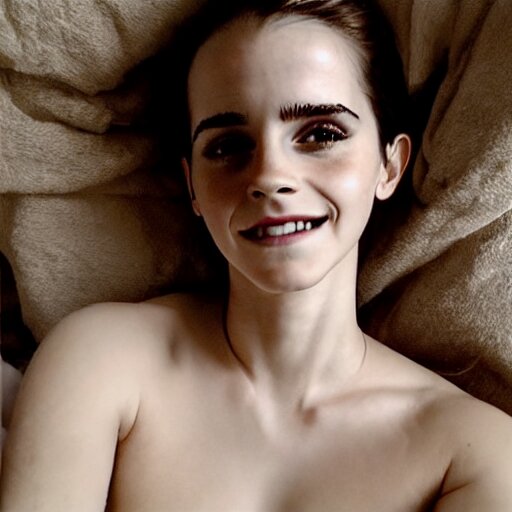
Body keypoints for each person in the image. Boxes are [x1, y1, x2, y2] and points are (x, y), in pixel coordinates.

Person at [2, 0, 512, 510]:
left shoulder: (474, 454)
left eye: (321, 134)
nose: (269, 176)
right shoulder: (101, 360)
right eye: (227, 146)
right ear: (192, 186)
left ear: (389, 165)